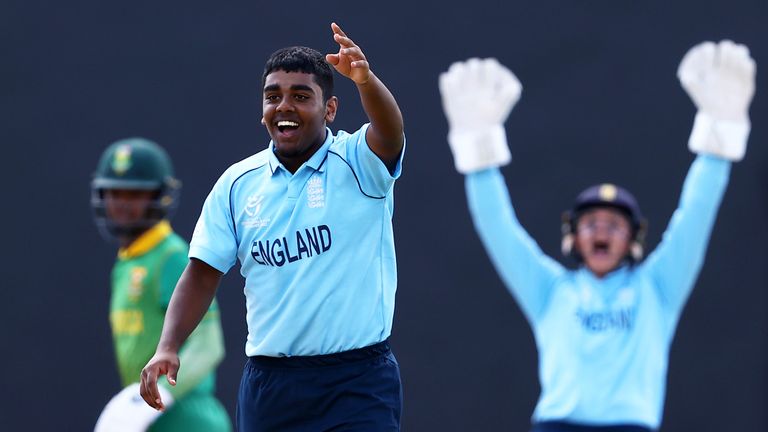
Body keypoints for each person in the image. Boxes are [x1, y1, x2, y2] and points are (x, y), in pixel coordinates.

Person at [438, 40, 755, 432]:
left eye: (614, 225)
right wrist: (478, 151)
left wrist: (718, 138)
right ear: (572, 236)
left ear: (633, 240)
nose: (601, 231)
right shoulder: (550, 291)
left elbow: (696, 214)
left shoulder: (658, 288)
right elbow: (498, 226)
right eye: (590, 224)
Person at [139, 22, 406, 432]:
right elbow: (202, 273)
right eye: (273, 97)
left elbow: (391, 133)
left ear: (330, 109)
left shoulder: (357, 162)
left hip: (357, 379)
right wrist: (168, 345)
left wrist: (365, 81)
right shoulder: (237, 184)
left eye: (301, 96)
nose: (284, 106)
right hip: (271, 385)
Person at [91, 138, 231, 432]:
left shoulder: (171, 255)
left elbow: (209, 344)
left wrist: (155, 394)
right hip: (148, 418)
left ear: (160, 196)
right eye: (114, 193)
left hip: (186, 416)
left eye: (135, 194)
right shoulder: (126, 263)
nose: (121, 204)